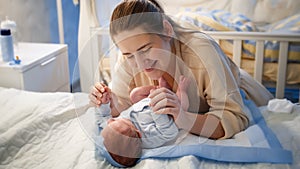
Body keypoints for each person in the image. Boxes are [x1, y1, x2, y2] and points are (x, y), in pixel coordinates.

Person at [90, 0, 273, 141]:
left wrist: (183, 118)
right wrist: (105, 101)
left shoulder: (202, 50)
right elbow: (121, 105)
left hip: (241, 93)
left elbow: (234, 117)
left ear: (167, 31)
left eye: (145, 49)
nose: (140, 63)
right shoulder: (128, 59)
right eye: (129, 55)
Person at [96, 76, 190, 167]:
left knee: (134, 94)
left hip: (146, 103)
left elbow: (103, 117)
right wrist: (156, 109)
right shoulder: (149, 139)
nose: (111, 119)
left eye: (111, 121)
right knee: (182, 106)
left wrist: (105, 103)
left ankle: (160, 89)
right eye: (116, 121)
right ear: (139, 134)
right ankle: (182, 89)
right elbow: (170, 133)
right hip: (169, 111)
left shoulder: (112, 127)